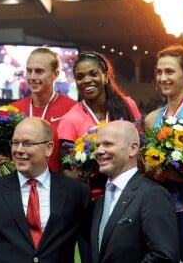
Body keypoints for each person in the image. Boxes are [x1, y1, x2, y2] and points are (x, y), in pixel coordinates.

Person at [0, 117, 92, 263]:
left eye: (27, 143)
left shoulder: (76, 192)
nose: (18, 150)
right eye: (15, 143)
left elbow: (88, 249)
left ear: (48, 148)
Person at [57, 51, 141, 262]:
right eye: (80, 76)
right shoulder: (71, 119)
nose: (87, 80)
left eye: (92, 73)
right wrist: (91, 171)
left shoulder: (127, 106)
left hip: (131, 198)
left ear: (105, 75)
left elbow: (141, 148)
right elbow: (66, 169)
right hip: (94, 204)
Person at [144, 44, 183, 262]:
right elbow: (149, 165)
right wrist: (153, 171)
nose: (162, 78)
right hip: (162, 209)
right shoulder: (151, 120)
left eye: (169, 71)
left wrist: (179, 174)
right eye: (159, 72)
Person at [92, 120, 179, 263]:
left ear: (133, 148)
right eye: (97, 145)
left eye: (108, 144)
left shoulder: (153, 195)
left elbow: (164, 257)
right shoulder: (101, 200)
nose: (99, 151)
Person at [10, 47, 77, 173]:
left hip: (58, 187)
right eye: (29, 71)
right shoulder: (13, 110)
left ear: (55, 74)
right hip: (20, 188)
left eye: (39, 71)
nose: (32, 77)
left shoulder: (72, 109)